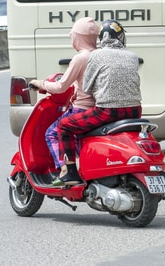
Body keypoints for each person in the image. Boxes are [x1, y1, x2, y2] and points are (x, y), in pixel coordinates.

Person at [53, 19, 142, 185]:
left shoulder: (96, 55)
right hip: (136, 111)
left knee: (64, 126)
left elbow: (87, 87)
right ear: (121, 38)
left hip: (108, 110)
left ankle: (69, 171)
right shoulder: (132, 56)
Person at [29, 17, 100, 172]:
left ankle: (65, 169)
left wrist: (40, 84)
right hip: (98, 109)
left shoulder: (81, 58)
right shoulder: (101, 55)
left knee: (52, 133)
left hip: (82, 108)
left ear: (78, 37)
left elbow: (61, 86)